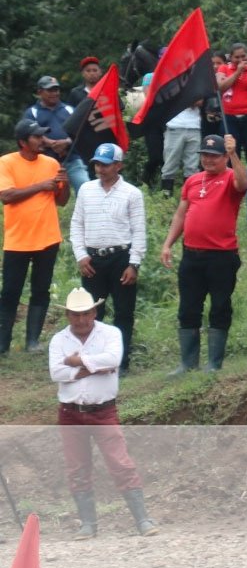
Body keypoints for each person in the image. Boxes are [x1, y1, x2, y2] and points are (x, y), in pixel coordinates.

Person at [49, 287, 157, 538]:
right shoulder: (59, 340)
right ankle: (89, 524)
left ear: (94, 312)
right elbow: (56, 373)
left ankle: (142, 519)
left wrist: (75, 362)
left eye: (85, 313)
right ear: (67, 315)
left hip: (103, 410)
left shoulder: (110, 333)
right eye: (75, 315)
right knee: (77, 467)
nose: (81, 319)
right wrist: (93, 366)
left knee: (120, 462)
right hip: (71, 412)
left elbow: (113, 360)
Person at [160, 134, 247, 373]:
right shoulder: (193, 181)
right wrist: (168, 243)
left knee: (220, 305)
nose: (208, 160)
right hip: (192, 254)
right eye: (204, 155)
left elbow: (244, 184)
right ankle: (187, 363)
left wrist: (234, 155)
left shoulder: (230, 176)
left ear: (223, 157)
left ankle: (214, 363)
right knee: (188, 307)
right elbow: (181, 214)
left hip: (221, 255)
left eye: (214, 156)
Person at [70, 143, 146, 373]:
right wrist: (81, 255)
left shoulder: (132, 193)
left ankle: (120, 362)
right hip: (93, 259)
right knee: (93, 312)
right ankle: (94, 360)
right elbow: (77, 224)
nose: (100, 169)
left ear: (118, 165)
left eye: (106, 164)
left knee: (123, 312)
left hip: (121, 257)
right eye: (97, 164)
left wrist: (134, 263)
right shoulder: (86, 189)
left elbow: (138, 230)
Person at [0, 119, 67, 355]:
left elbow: (61, 200)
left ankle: (33, 342)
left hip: (47, 237)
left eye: (42, 136)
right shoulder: (6, 163)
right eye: (36, 137)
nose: (42, 141)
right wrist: (41, 186)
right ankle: (3, 344)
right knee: (10, 291)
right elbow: (6, 196)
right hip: (17, 240)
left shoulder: (51, 163)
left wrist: (64, 183)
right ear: (22, 142)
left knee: (41, 290)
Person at [24, 76, 87, 193]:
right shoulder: (32, 112)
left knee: (86, 189)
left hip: (72, 159)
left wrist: (66, 142)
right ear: (39, 92)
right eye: (50, 90)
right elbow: (29, 134)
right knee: (46, 195)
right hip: (45, 161)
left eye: (56, 90)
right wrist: (52, 144)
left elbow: (80, 131)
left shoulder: (69, 109)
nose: (54, 93)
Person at [160, 96, 205, 198]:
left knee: (192, 166)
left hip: (195, 126)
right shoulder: (172, 81)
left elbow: (200, 100)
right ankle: (166, 195)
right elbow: (167, 99)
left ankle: (190, 196)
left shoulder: (196, 80)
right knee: (170, 163)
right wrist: (189, 100)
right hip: (174, 126)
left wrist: (182, 101)